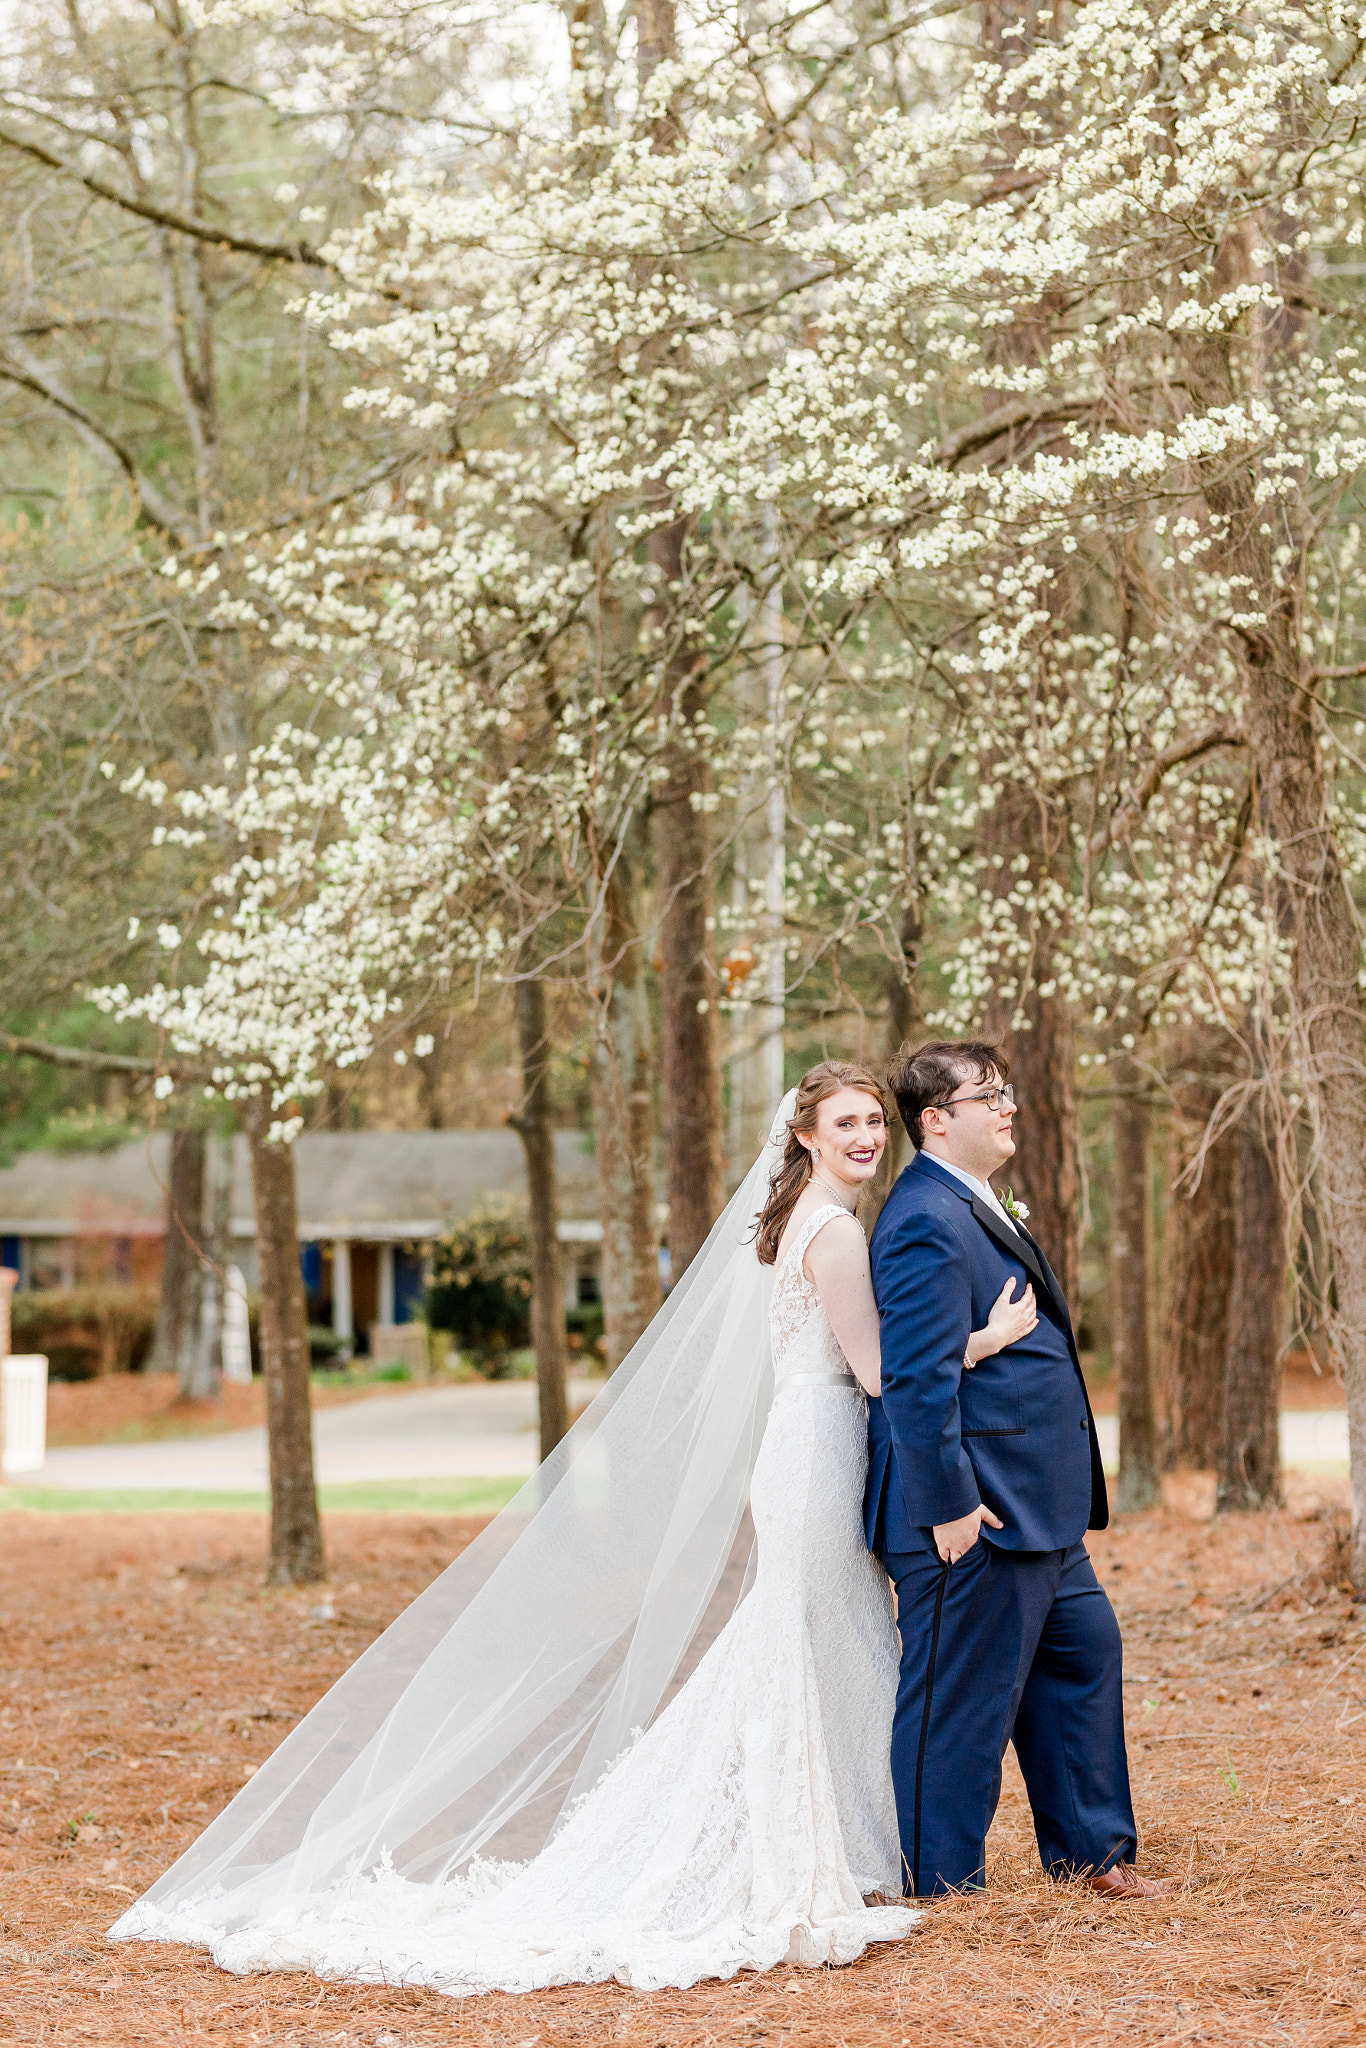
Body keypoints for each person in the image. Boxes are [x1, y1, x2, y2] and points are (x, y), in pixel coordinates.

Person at [110, 1062, 1036, 1997]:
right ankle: (792, 1844)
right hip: (820, 1449)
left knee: (815, 1637)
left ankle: (833, 1834)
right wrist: (988, 1341)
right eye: (846, 1122)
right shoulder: (834, 1230)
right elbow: (882, 1371)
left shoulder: (802, 1219)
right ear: (804, 1135)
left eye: (876, 1120)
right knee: (806, 1639)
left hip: (805, 1447)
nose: (867, 1135)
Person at [866, 1037, 1168, 1901]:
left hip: (1038, 1505)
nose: (1007, 1108)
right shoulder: (923, 1217)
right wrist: (948, 1504)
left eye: (1007, 1092)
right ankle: (941, 1888)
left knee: (1083, 1652)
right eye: (987, 1096)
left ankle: (1090, 1852)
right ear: (936, 1121)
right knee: (959, 1704)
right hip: (975, 1510)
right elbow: (915, 1382)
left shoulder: (974, 1202)